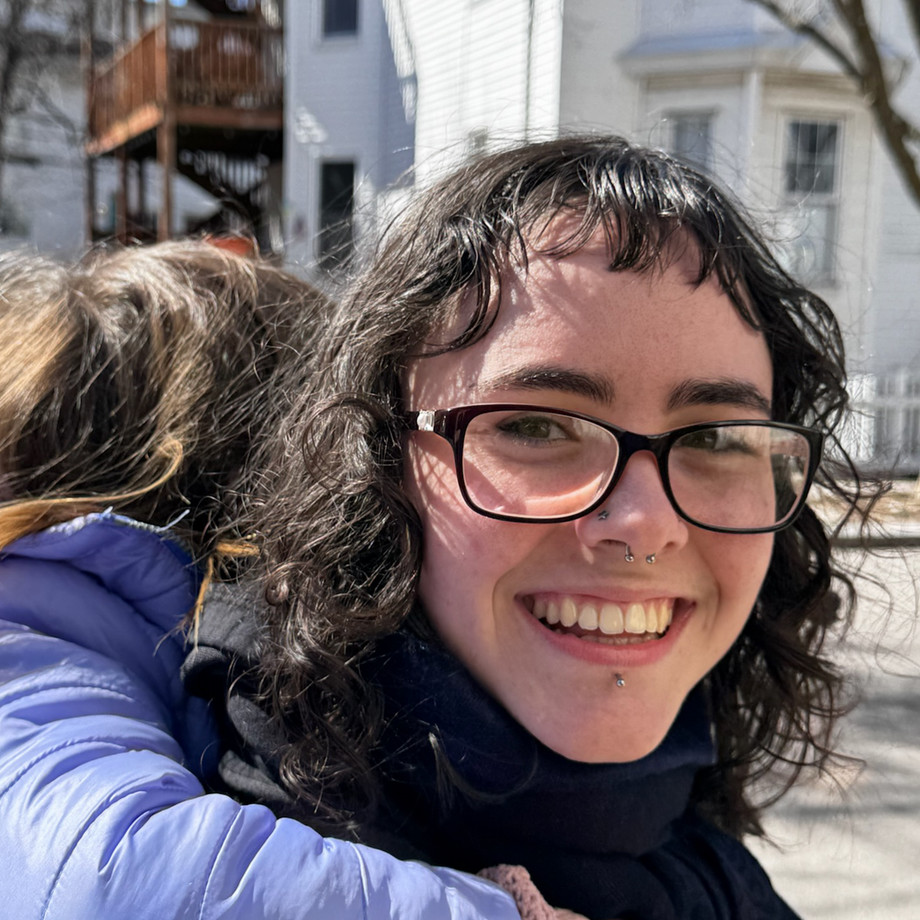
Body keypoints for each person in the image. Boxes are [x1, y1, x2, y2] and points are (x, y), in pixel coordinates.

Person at [0, 137, 871, 920]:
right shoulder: (258, 792)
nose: (644, 522)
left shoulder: (693, 842)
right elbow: (107, 871)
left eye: (718, 438)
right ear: (357, 465)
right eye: (533, 425)